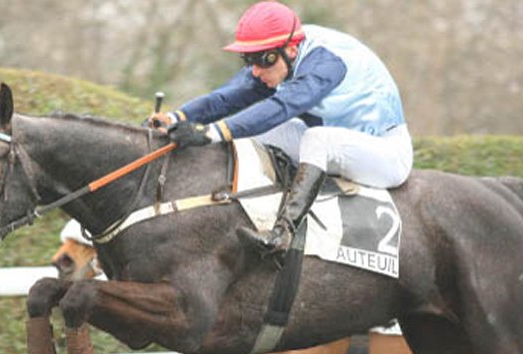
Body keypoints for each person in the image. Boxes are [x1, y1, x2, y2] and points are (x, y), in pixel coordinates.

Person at [149, 1, 413, 255]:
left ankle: (283, 233)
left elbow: (281, 107)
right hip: (341, 144)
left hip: (385, 154)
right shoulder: (283, 53)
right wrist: (176, 117)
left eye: (261, 60)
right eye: (248, 60)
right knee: (256, 133)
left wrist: (209, 133)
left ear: (291, 51)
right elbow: (226, 97)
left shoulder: (326, 65)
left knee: (316, 139)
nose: (255, 71)